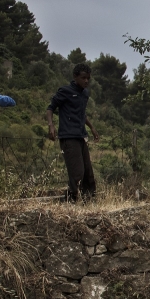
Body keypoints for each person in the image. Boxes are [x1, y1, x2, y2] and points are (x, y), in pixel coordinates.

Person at [48, 64, 100, 202]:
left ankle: (89, 200)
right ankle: (71, 200)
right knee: (77, 172)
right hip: (68, 136)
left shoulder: (85, 93)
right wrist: (51, 125)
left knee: (88, 173)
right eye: (83, 78)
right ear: (75, 77)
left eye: (88, 78)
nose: (86, 81)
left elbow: (82, 114)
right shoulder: (65, 91)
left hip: (81, 135)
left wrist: (92, 128)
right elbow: (51, 108)